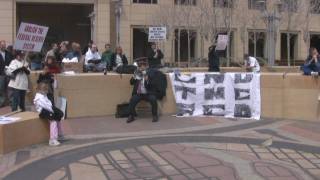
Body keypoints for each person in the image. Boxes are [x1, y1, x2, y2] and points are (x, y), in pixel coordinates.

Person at [127, 58, 160, 123]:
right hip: (138, 94)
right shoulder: (137, 73)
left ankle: (154, 115)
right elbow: (131, 83)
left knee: (153, 99)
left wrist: (147, 80)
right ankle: (131, 116)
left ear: (146, 67)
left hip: (148, 94)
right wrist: (134, 76)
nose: (142, 67)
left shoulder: (150, 74)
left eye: (143, 66)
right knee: (132, 100)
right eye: (140, 66)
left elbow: (153, 85)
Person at [0, 40, 12, 107]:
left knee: (9, 89)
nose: (3, 46)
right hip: (1, 74)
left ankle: (10, 103)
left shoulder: (8, 53)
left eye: (4, 45)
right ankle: (2, 103)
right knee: (1, 89)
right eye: (2, 45)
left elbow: (11, 62)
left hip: (8, 74)